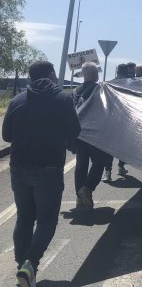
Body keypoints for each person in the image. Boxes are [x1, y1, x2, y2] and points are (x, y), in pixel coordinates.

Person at [2, 61, 81, 286]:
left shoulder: (17, 100)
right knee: (47, 219)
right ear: (52, 75)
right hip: (49, 168)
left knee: (24, 217)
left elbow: (6, 135)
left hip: (19, 168)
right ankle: (30, 264)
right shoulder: (64, 99)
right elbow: (75, 130)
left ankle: (22, 267)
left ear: (30, 77)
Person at [72, 62, 110, 210]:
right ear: (95, 74)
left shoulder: (75, 91)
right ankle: (87, 189)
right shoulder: (100, 89)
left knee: (81, 164)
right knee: (99, 162)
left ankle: (79, 197)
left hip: (78, 133)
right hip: (95, 133)